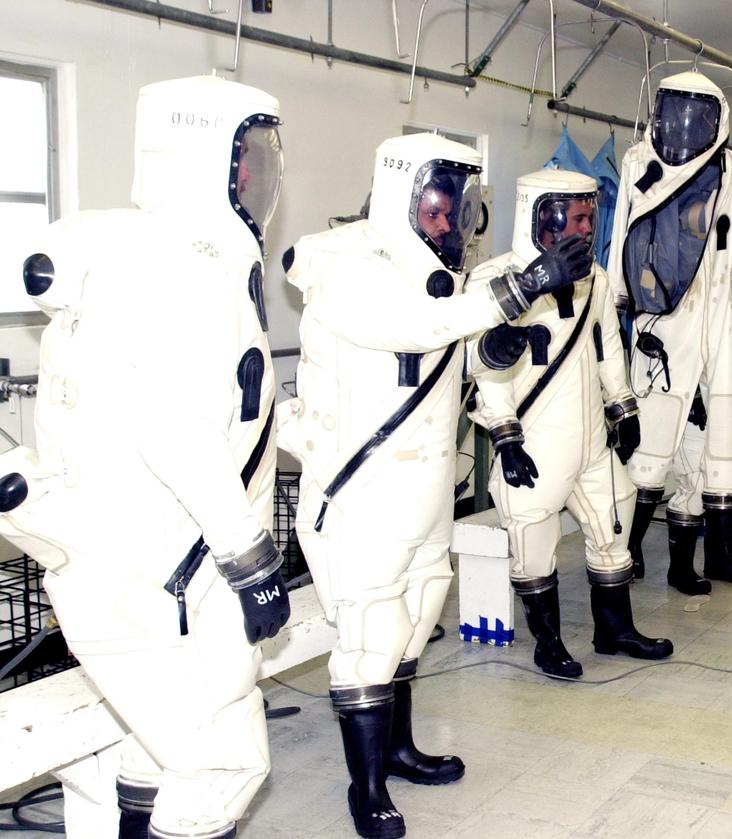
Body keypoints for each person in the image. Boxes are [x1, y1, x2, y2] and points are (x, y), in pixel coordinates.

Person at [0, 75, 290, 839]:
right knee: (223, 761)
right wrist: (251, 560)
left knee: (156, 748)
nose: (258, 178)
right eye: (248, 159)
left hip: (145, 562)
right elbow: (176, 430)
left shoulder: (143, 260)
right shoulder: (183, 273)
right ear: (206, 160)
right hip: (168, 570)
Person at [280, 133, 591, 839]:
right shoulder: (346, 266)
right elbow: (415, 329)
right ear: (400, 197)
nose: (449, 224)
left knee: (417, 616)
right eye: (435, 209)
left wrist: (499, 345)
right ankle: (365, 790)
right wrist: (520, 288)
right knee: (372, 635)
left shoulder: (449, 279)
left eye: (458, 210)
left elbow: (463, 352)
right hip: (360, 494)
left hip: (423, 492)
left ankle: (397, 748)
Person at [466, 169, 673, 679]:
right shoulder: (496, 283)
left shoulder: (595, 279)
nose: (583, 229)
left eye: (588, 218)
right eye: (572, 218)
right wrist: (505, 436)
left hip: (590, 437)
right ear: (539, 217)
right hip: (535, 439)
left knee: (614, 517)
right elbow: (484, 368)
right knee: (532, 537)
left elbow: (608, 346)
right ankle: (549, 643)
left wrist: (623, 405)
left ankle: (615, 629)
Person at [609, 71, 732, 595]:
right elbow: (621, 245)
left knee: (716, 450)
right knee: (651, 446)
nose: (684, 125)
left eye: (697, 115)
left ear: (717, 119)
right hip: (660, 326)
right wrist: (618, 316)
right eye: (676, 112)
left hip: (722, 322)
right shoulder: (640, 163)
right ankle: (624, 549)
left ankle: (701, 561)